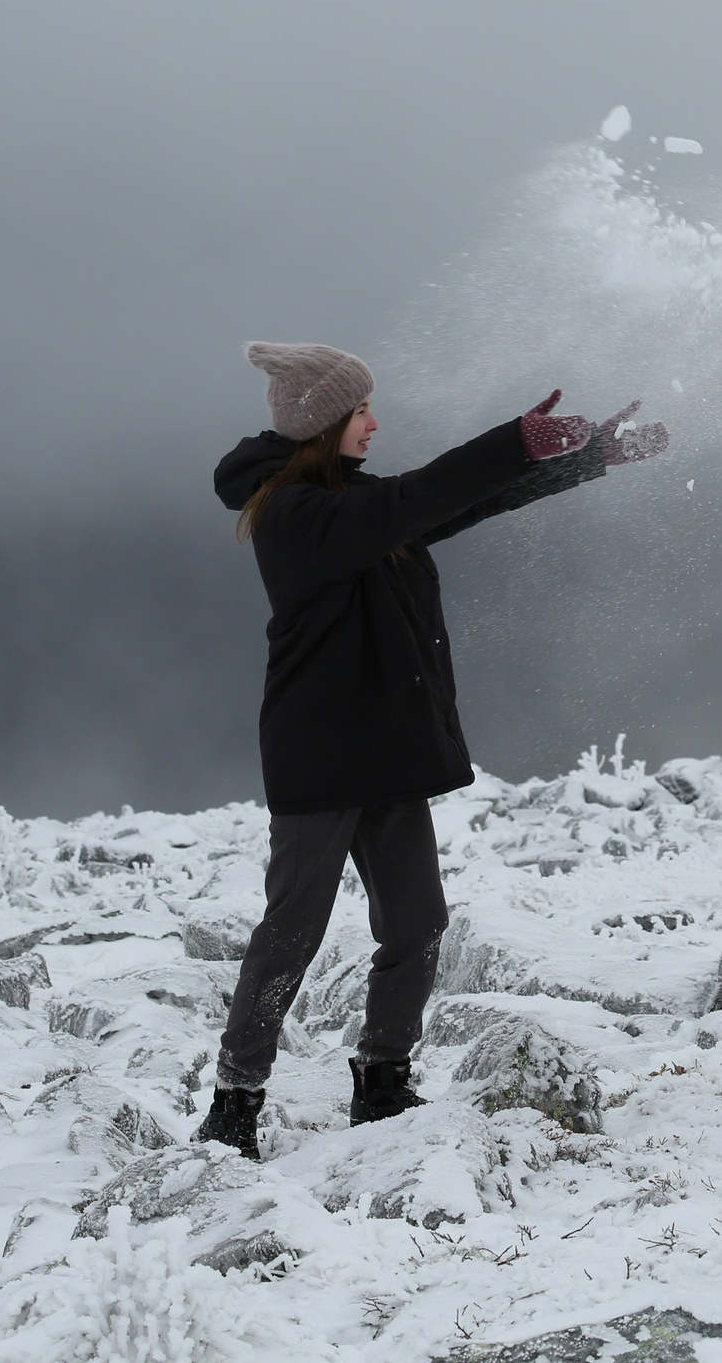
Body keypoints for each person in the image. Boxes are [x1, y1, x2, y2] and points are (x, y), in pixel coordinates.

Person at [197, 341, 670, 1156]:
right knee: (291, 933)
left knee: (417, 923)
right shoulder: (295, 515)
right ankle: (236, 1098)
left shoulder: (350, 498)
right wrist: (514, 437)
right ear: (322, 424)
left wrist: (588, 458)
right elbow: (422, 495)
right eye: (361, 412)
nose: (375, 423)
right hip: (320, 759)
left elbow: (456, 505)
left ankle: (383, 1080)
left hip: (386, 749)